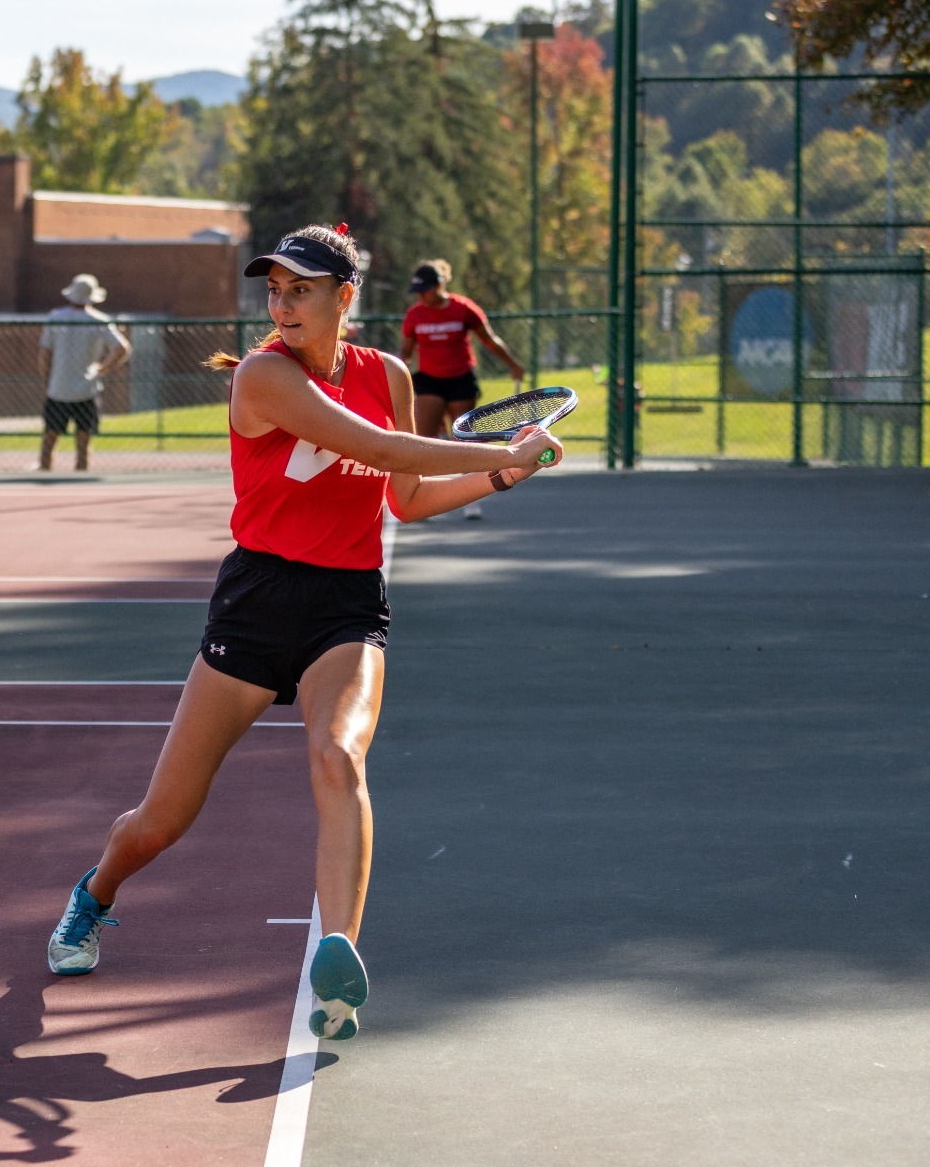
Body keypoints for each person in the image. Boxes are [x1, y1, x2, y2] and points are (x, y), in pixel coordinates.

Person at [43, 224, 560, 1045]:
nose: (282, 305)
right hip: (257, 601)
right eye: (275, 290)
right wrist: (502, 444)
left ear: (344, 297)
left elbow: (405, 497)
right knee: (162, 821)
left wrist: (506, 471)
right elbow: (374, 445)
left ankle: (337, 956)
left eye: (302, 290)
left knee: (339, 756)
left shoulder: (388, 374)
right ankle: (95, 892)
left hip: (346, 603)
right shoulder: (264, 375)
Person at [398, 259, 527, 520]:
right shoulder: (415, 315)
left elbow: (489, 339)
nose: (421, 296)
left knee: (465, 440)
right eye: (418, 291)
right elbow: (405, 353)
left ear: (439, 285)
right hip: (429, 380)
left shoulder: (463, 308)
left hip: (460, 379)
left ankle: (471, 499)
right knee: (425, 440)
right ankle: (423, 499)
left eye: (425, 290)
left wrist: (513, 364)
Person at [38, 274, 131, 472]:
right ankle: (80, 478)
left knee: (49, 439)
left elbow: (45, 355)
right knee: (83, 442)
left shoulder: (55, 317)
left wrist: (47, 380)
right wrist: (103, 368)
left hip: (59, 388)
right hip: (86, 388)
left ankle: (45, 471)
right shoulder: (98, 320)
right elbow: (122, 348)